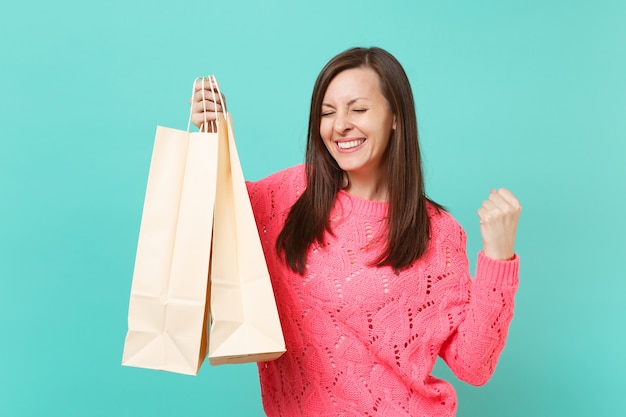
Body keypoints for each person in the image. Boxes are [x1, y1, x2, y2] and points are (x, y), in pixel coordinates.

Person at [191, 47, 521, 417]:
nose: (340, 125)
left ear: (395, 116)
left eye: (358, 109)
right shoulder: (289, 195)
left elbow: (472, 366)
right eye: (327, 112)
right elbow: (212, 221)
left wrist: (498, 259)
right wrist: (212, 140)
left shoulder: (438, 234)